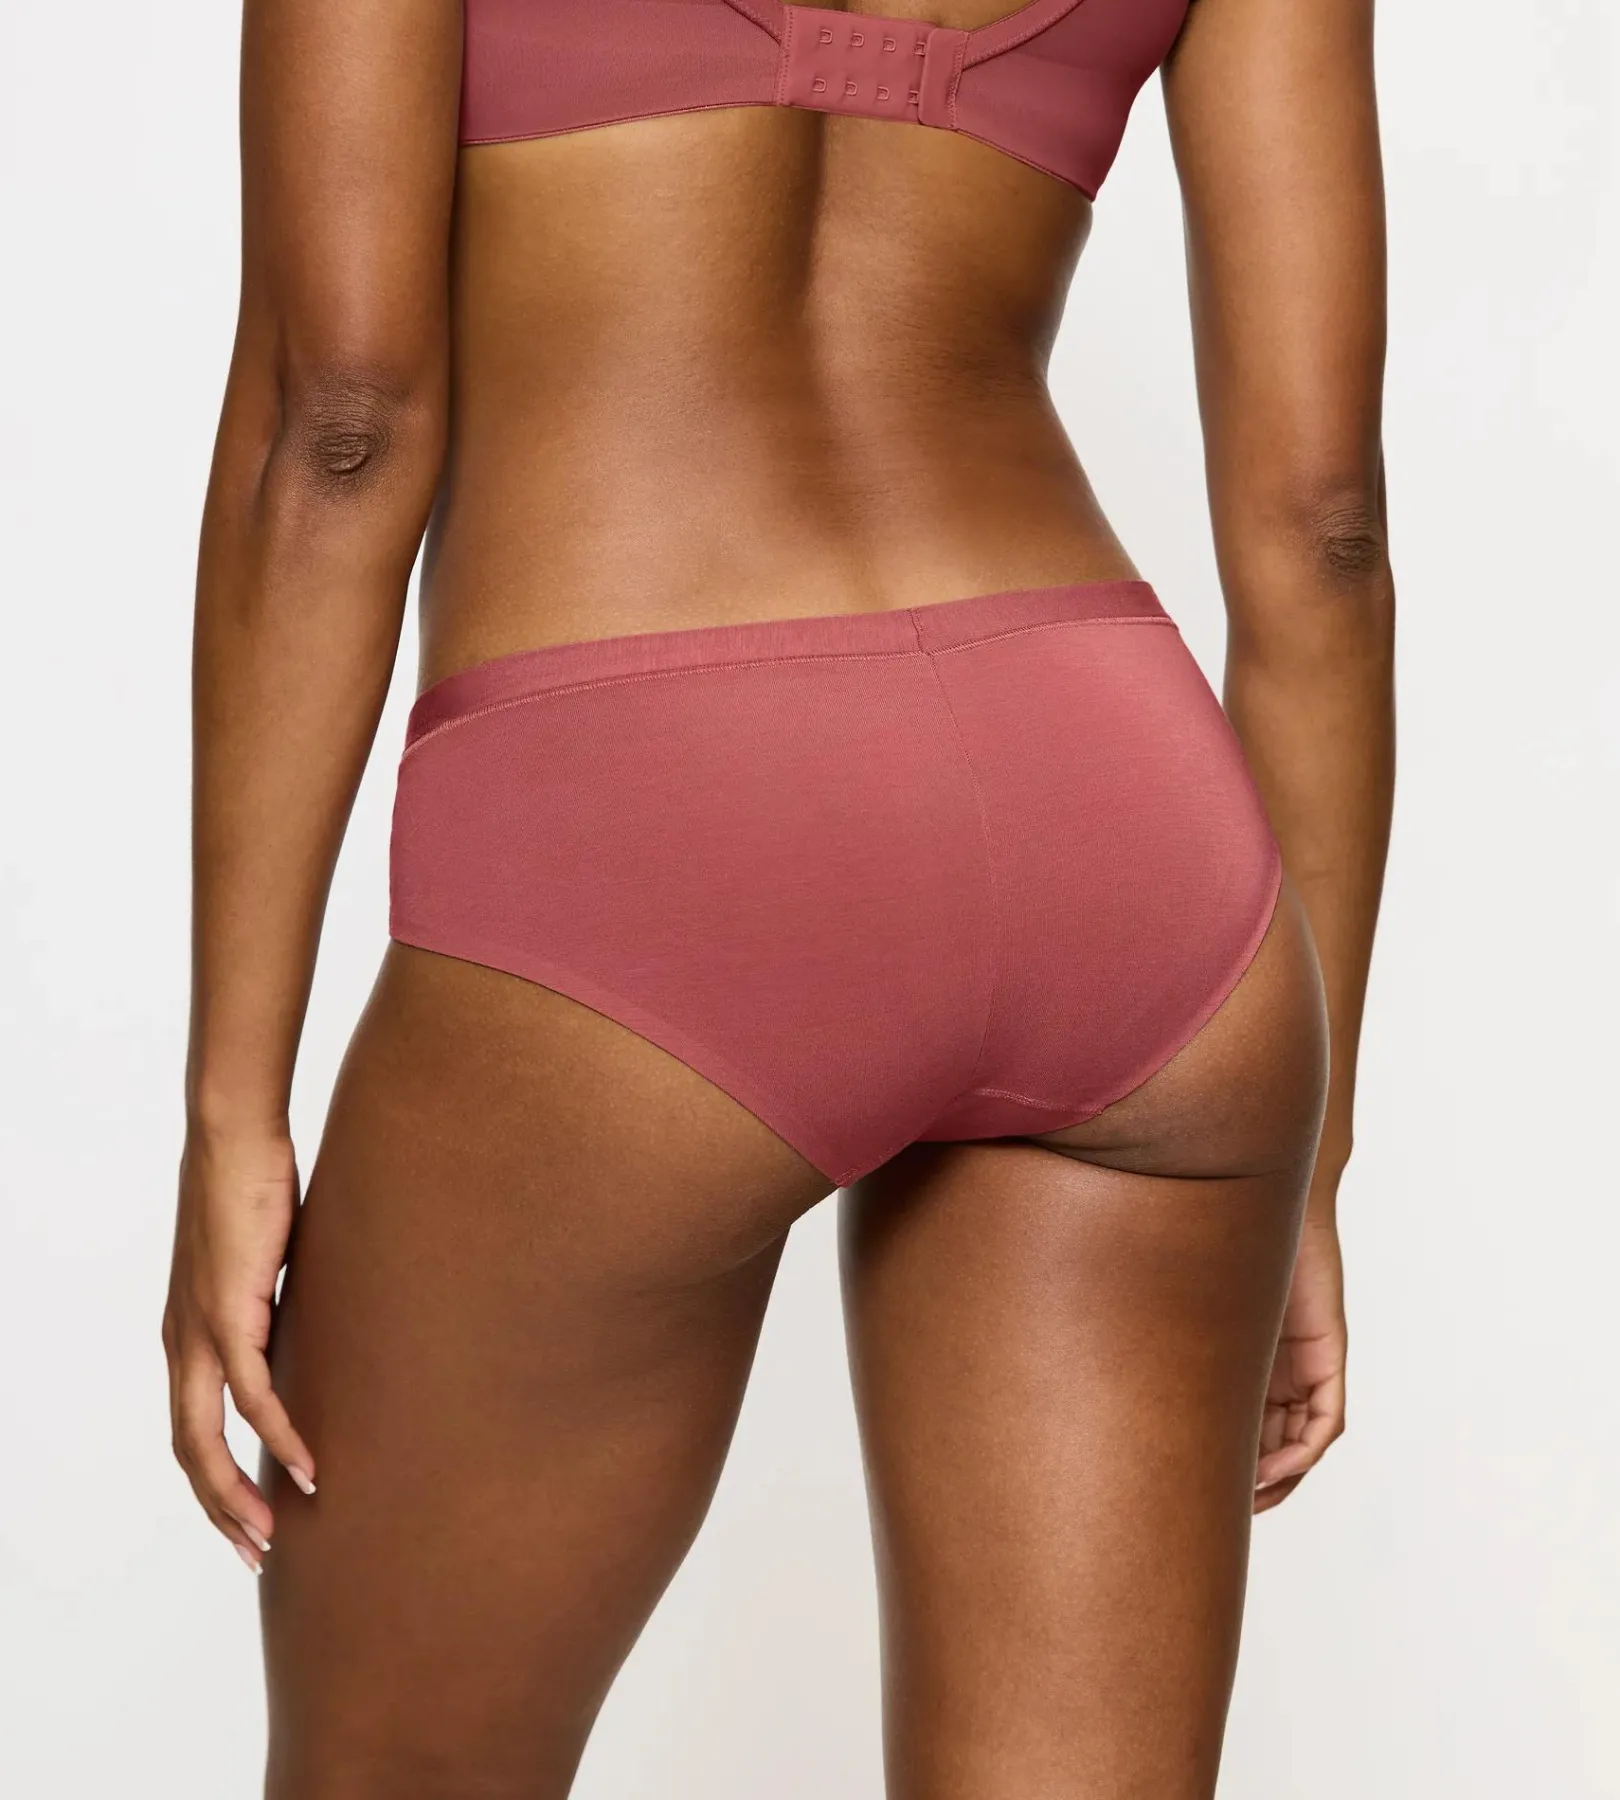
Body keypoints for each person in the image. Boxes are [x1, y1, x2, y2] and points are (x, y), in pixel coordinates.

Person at [162, 0, 1394, 1791]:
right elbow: (1324, 531)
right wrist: (1312, 1158)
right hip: (1122, 829)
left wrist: (231, 1102)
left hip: (652, 814)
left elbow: (339, 420)